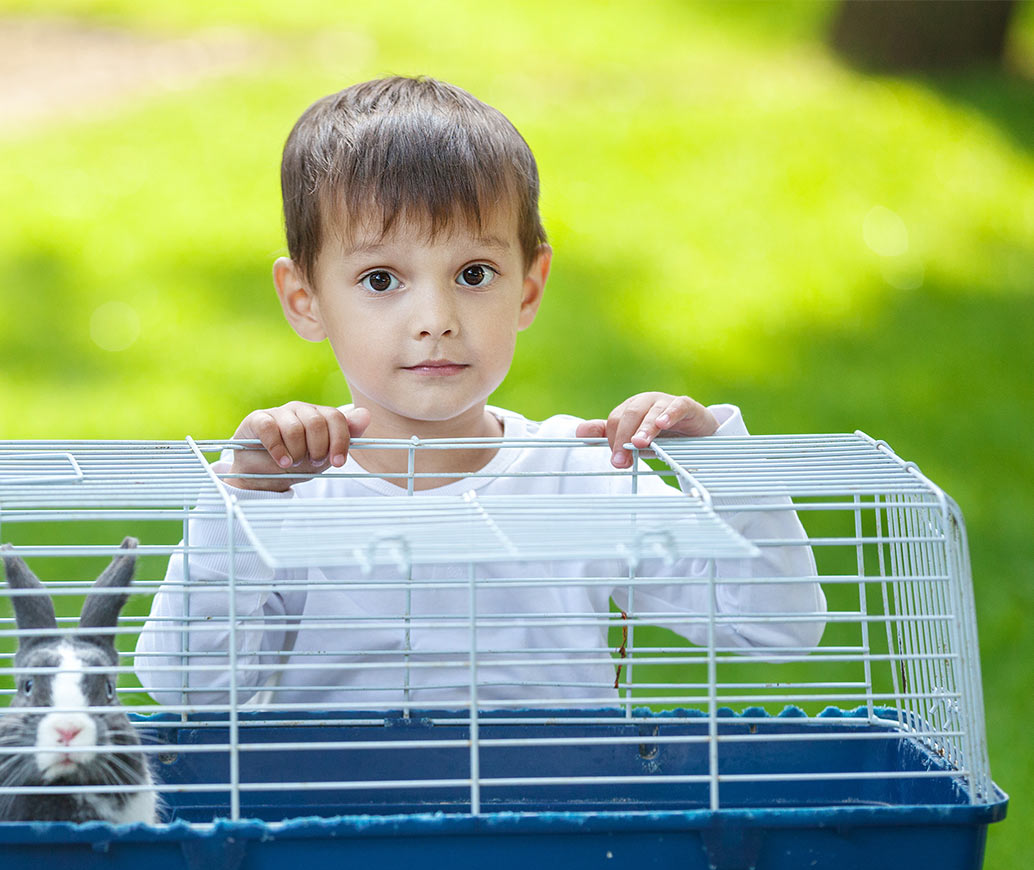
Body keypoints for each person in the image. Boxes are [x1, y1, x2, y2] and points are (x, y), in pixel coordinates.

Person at [133, 75, 826, 710]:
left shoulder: (580, 476)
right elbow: (186, 689)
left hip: (557, 829)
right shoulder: (285, 486)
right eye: (381, 279)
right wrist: (242, 496)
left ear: (528, 286)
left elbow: (777, 625)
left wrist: (722, 464)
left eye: (473, 273)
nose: (436, 318)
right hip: (338, 834)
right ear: (304, 299)